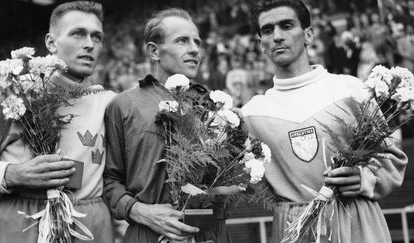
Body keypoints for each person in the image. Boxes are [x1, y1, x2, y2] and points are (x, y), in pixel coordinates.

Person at [241, 0, 407, 242]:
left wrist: (364, 178)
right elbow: (245, 183)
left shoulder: (349, 90)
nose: (277, 36)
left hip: (357, 223)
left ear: (308, 34)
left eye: (286, 26)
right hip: (295, 230)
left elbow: (392, 159)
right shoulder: (251, 114)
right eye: (267, 30)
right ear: (261, 45)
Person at [0, 2, 115, 242]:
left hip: (91, 228)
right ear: (51, 42)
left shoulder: (109, 103)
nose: (89, 44)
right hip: (22, 224)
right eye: (78, 34)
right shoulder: (12, 94)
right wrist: (11, 174)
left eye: (97, 37)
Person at [103, 8, 231, 243]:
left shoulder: (216, 108)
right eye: (182, 41)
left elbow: (231, 179)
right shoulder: (123, 105)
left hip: (209, 234)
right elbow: (108, 180)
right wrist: (140, 211)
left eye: (197, 42)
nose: (194, 49)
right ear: (154, 51)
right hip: (148, 233)